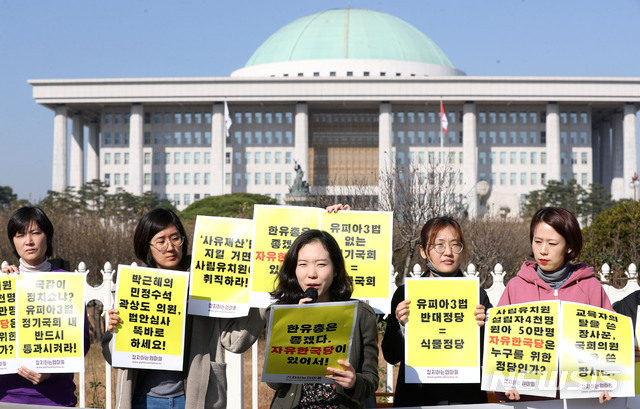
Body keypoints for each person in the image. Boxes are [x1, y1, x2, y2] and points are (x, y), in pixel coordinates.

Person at [102, 208, 265, 409]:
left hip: (195, 398)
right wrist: (114, 331)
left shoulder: (204, 282)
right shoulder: (136, 286)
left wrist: (262, 298)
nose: (170, 247)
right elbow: (115, 358)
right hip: (144, 399)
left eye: (175, 238)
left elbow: (234, 341)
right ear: (147, 246)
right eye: (161, 241)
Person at [496, 206, 613, 403]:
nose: (543, 250)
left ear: (569, 247)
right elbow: (499, 344)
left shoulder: (590, 287)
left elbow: (608, 343)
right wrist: (504, 386)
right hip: (530, 400)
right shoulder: (515, 287)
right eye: (537, 241)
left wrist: (609, 385)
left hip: (581, 401)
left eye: (552, 243)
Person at [381, 216, 491, 406]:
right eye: (439, 245)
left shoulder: (477, 296)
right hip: (418, 398)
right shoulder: (405, 295)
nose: (448, 252)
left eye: (455, 245)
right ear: (423, 251)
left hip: (464, 399)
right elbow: (391, 355)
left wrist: (486, 327)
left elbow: (489, 357)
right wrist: (401, 328)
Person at [267, 229, 379, 409]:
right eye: (303, 264)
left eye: (321, 264)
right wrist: (293, 324)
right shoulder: (281, 313)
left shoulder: (361, 314)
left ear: (335, 270)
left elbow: (371, 379)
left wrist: (354, 381)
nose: (311, 273)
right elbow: (274, 383)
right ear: (293, 269)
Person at [1, 206, 91, 406]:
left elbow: (81, 342)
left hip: (56, 398)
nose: (28, 241)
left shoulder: (67, 282)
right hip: (8, 396)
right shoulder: (4, 283)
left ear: (47, 237)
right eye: (20, 235)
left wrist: (51, 371)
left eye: (35, 233)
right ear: (13, 241)